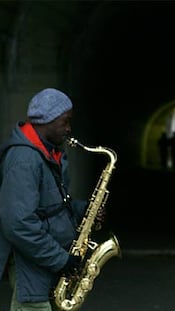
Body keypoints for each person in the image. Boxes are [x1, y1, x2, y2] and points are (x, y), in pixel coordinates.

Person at [0, 88, 102, 311]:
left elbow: (51, 204)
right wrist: (60, 259)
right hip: (32, 266)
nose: (69, 128)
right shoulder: (24, 159)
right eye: (65, 121)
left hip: (45, 261)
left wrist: (83, 209)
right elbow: (18, 224)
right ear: (48, 119)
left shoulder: (48, 151)